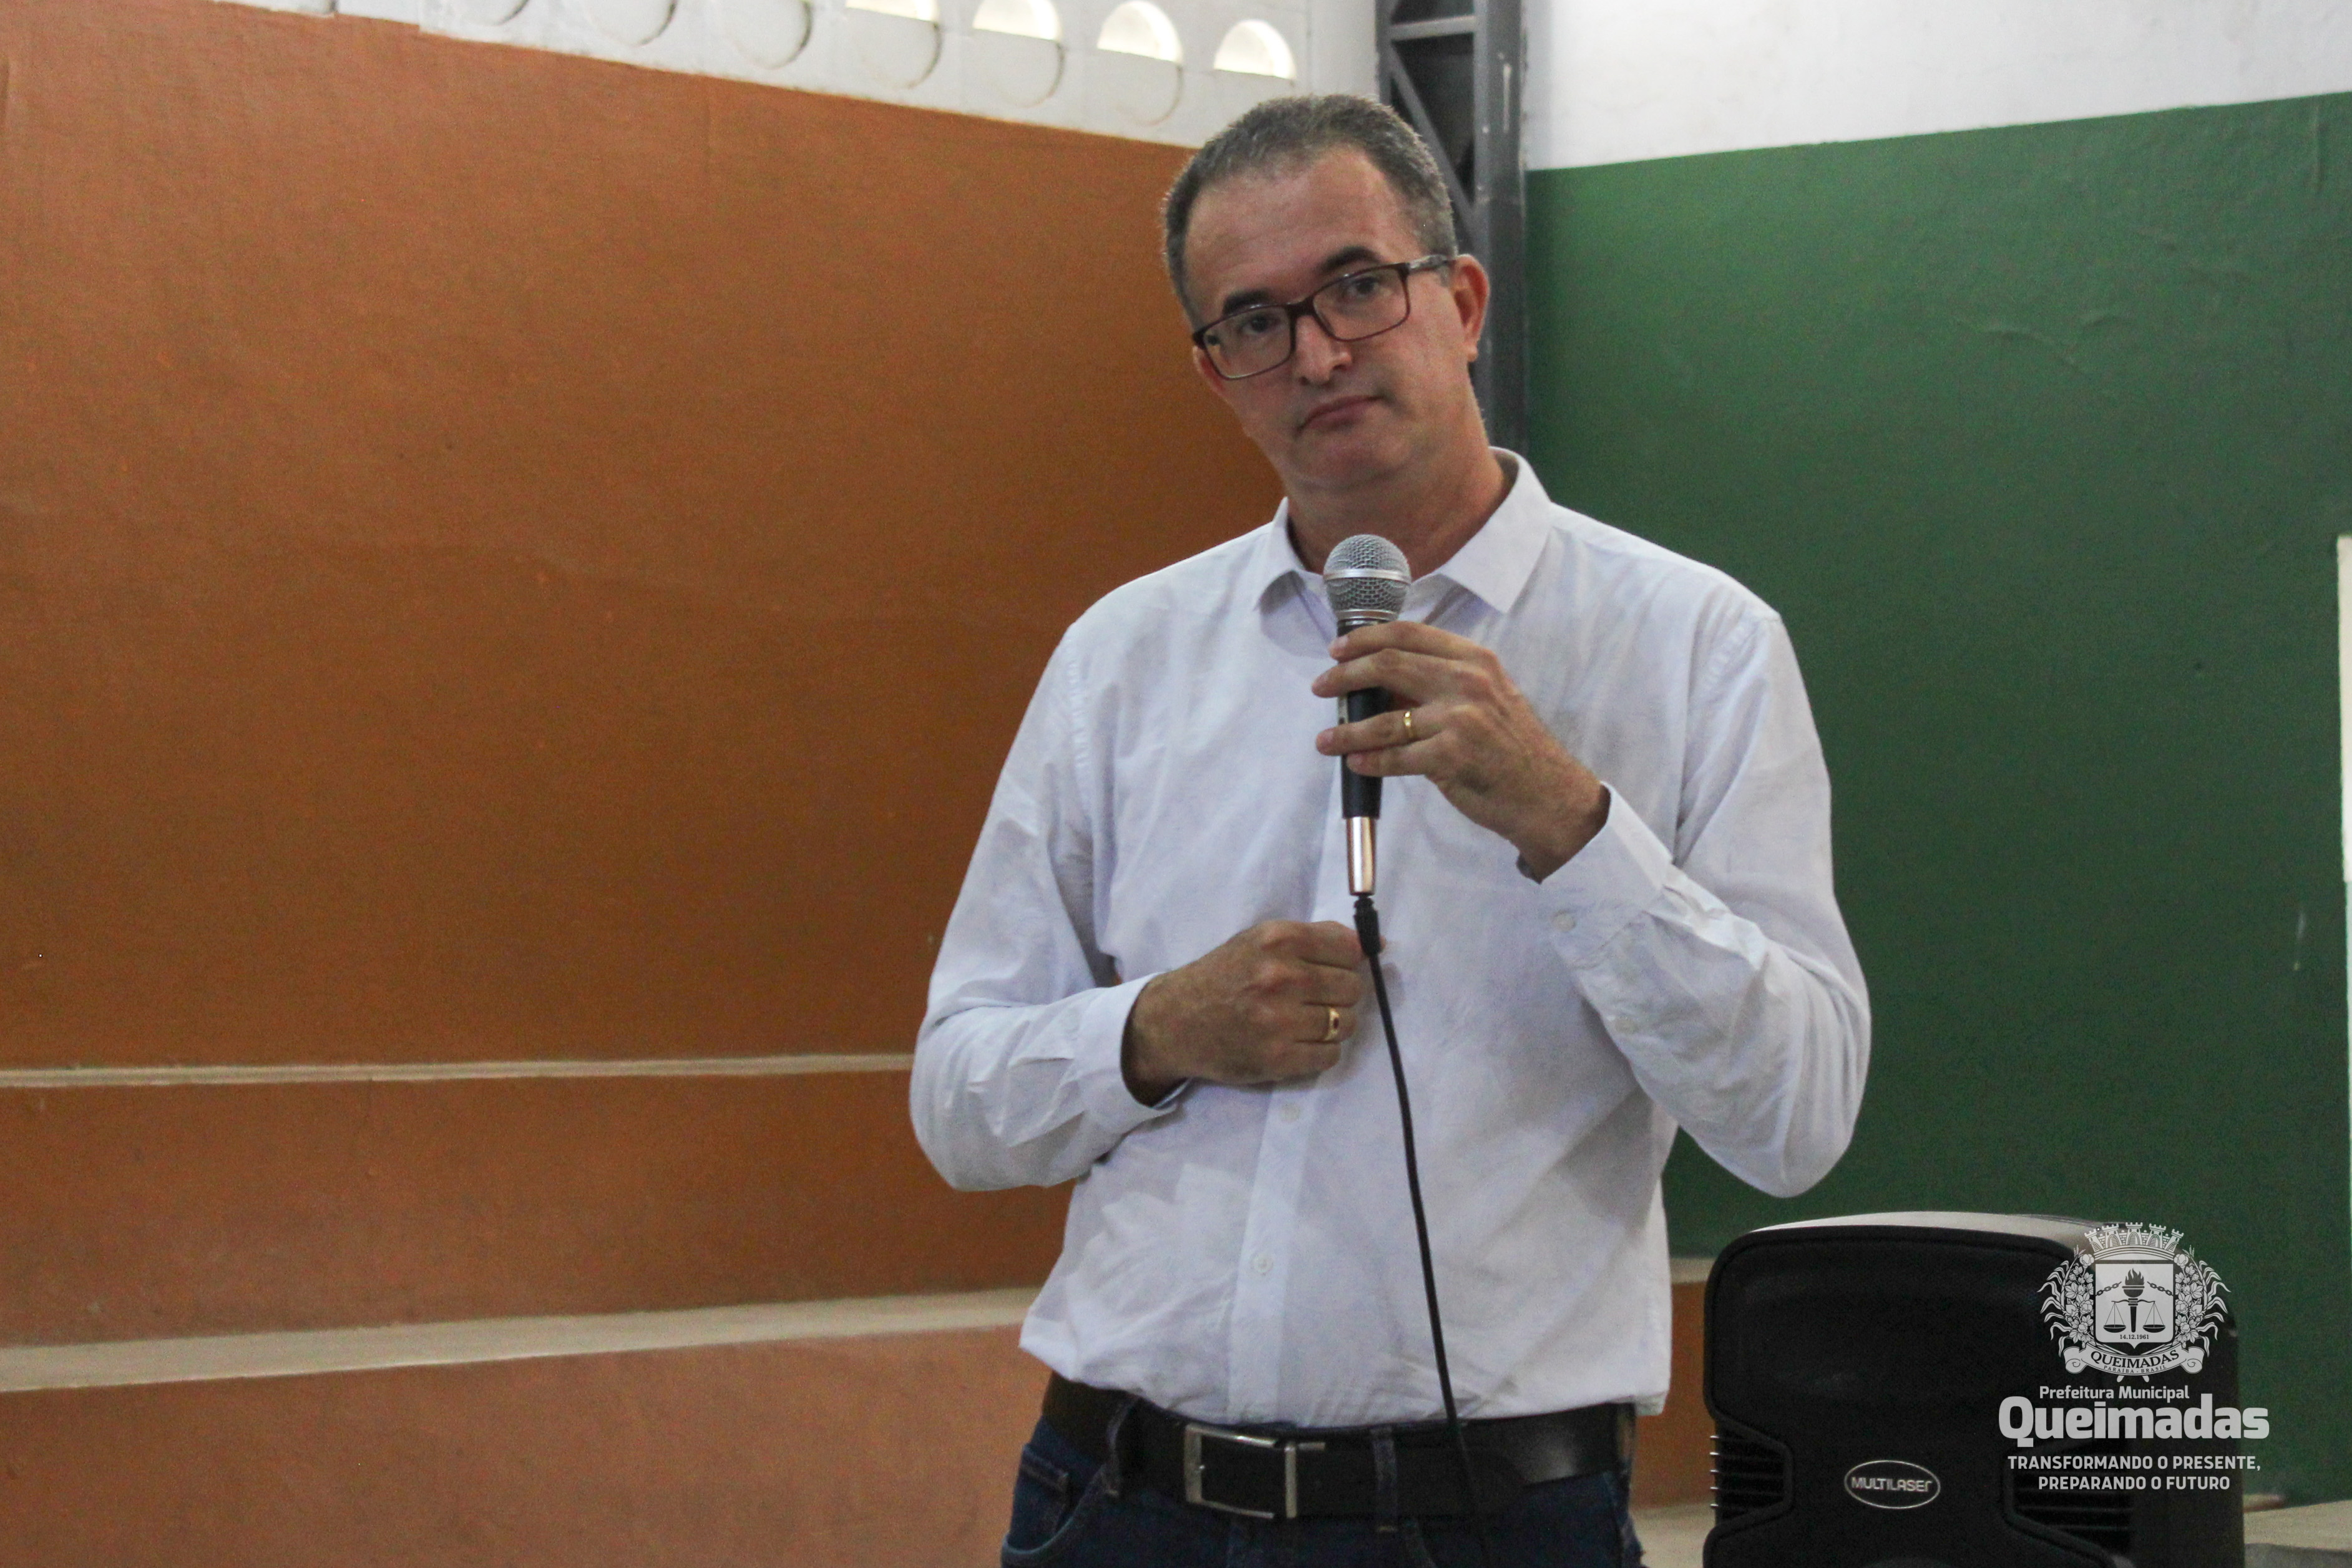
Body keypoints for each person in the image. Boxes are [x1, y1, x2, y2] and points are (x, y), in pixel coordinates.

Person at [910, 94, 1869, 1567]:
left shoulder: (1697, 646)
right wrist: (1155, 1030)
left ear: (1461, 301)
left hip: (1488, 1519)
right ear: (1216, 374)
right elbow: (958, 1100)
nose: (1315, 353)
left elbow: (1795, 1118)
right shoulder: (1124, 657)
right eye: (1253, 321)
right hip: (1119, 1499)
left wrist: (1569, 823)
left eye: (1357, 285)